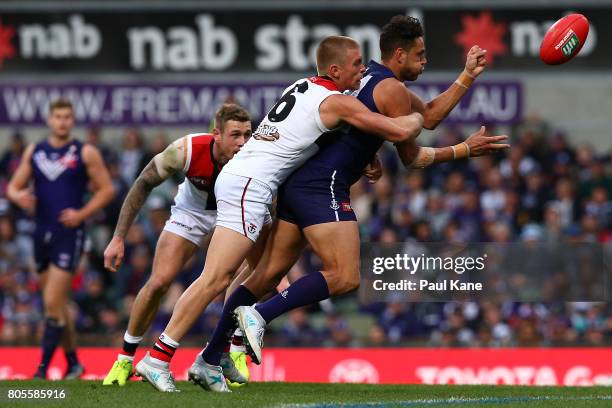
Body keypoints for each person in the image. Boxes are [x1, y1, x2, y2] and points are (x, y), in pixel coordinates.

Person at [203, 15, 510, 371]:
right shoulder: (392, 89)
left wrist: (467, 76)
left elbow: (427, 115)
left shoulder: (362, 79)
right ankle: (259, 316)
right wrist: (464, 150)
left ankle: (211, 356)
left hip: (299, 183)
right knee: (345, 275)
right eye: (420, 55)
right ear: (399, 54)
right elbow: (413, 155)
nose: (425, 62)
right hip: (326, 185)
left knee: (265, 276)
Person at [135, 35, 423, 393]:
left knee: (264, 274)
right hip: (250, 187)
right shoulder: (333, 100)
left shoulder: (303, 85)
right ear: (334, 70)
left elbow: (315, 136)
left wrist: (367, 156)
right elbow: (400, 130)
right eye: (355, 64)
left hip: (251, 182)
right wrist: (414, 118)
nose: (361, 69)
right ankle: (158, 358)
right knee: (216, 278)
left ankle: (213, 358)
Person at [102, 104, 253, 386]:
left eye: (247, 134)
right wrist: (119, 237)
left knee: (242, 276)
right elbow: (143, 183)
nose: (242, 142)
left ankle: (231, 350)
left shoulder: (255, 154)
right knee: (159, 282)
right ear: (216, 134)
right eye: (235, 135)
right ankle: (124, 359)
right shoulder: (186, 150)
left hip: (233, 213)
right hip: (191, 213)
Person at [7, 98, 115, 379]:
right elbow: (13, 187)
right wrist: (19, 196)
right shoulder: (36, 150)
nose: (63, 121)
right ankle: (73, 362)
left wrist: (82, 214)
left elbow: (107, 190)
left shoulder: (84, 152)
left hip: (68, 234)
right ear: (49, 120)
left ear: (72, 120)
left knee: (53, 302)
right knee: (55, 304)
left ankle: (42, 371)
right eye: (58, 116)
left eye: (67, 116)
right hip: (41, 233)